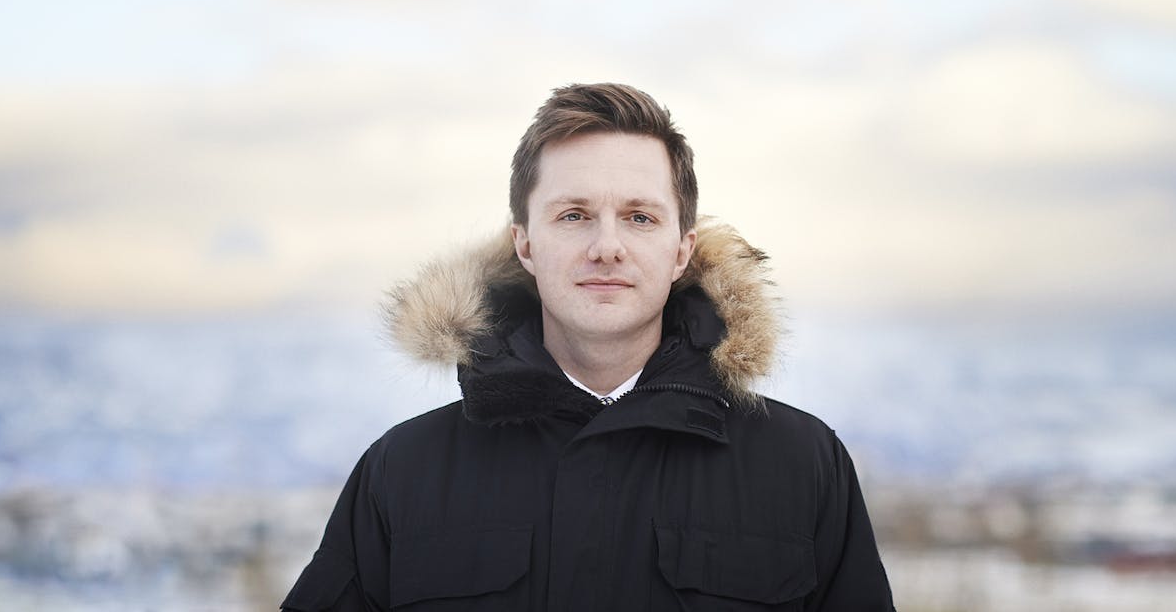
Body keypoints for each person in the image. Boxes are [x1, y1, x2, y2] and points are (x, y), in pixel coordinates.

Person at [281, 83, 895, 611]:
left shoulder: (802, 465)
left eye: (640, 217)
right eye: (573, 215)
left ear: (682, 250)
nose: (607, 246)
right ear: (525, 245)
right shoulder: (404, 471)